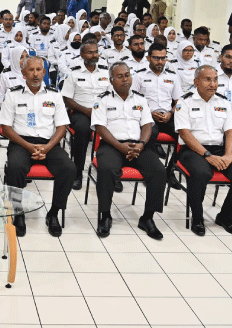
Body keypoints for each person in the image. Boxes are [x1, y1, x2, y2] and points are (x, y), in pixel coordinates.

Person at [0, 56, 75, 237]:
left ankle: (53, 212)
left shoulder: (54, 95)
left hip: (49, 143)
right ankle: (18, 213)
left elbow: (62, 127)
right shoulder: (13, 94)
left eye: (39, 70)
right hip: (21, 142)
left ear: (44, 72)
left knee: (69, 168)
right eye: (31, 70)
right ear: (23, 73)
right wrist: (28, 146)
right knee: (15, 167)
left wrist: (47, 148)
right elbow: (6, 128)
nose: (35, 74)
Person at [175, 65, 232, 236]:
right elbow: (185, 134)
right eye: (208, 79)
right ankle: (197, 218)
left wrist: (229, 155)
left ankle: (226, 217)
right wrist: (207, 155)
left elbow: (230, 132)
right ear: (196, 82)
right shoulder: (185, 101)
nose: (213, 84)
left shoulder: (223, 102)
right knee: (201, 173)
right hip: (192, 150)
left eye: (215, 79)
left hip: (218, 149)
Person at [92, 62, 166, 239]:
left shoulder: (140, 99)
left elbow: (147, 124)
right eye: (120, 76)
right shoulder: (102, 100)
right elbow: (100, 128)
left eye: (127, 75)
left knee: (159, 170)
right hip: (112, 146)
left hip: (137, 146)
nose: (125, 79)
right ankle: (105, 215)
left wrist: (141, 144)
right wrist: (120, 147)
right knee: (106, 169)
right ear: (111, 80)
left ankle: (147, 217)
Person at [131, 43, 183, 190]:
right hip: (147, 116)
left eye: (163, 58)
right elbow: (132, 101)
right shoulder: (139, 76)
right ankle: (152, 171)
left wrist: (170, 113)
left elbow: (179, 102)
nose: (160, 61)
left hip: (168, 115)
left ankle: (170, 171)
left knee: (184, 136)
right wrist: (149, 112)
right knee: (150, 135)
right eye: (156, 58)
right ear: (148, 58)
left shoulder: (172, 76)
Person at [60, 40, 109, 190]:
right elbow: (67, 99)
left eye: (96, 52)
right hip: (80, 112)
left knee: (118, 127)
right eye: (90, 52)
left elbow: (112, 95)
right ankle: (77, 172)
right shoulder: (73, 73)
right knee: (82, 130)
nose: (94, 55)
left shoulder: (106, 72)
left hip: (103, 112)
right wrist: (87, 111)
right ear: (81, 55)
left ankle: (111, 172)